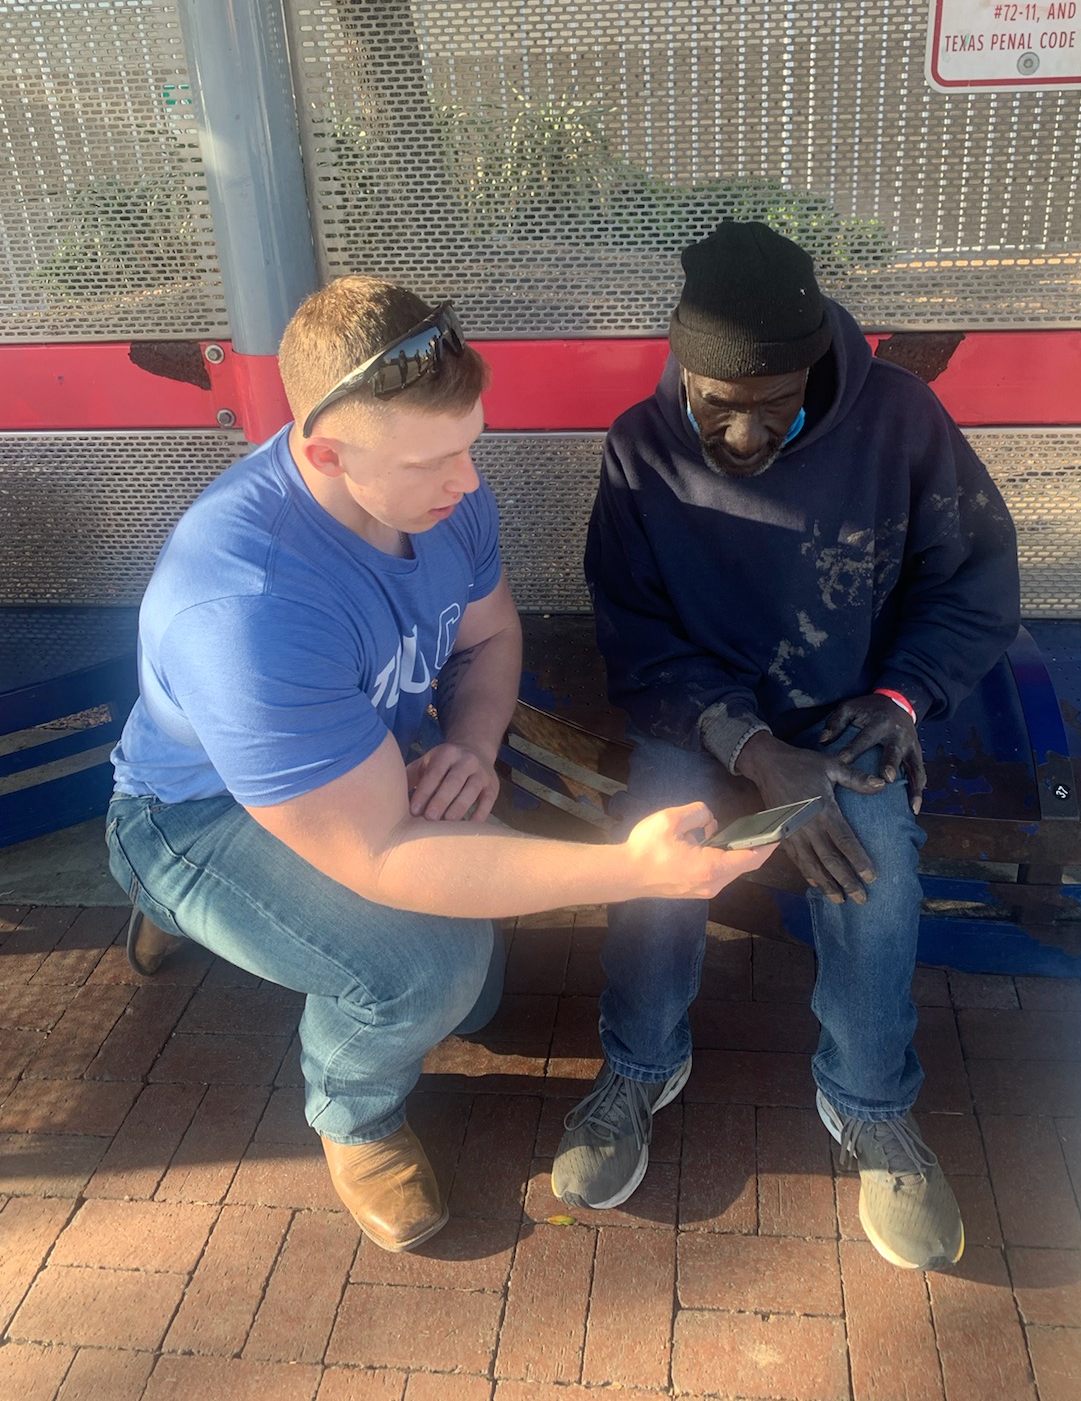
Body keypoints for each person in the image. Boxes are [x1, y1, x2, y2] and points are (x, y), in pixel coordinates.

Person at [106, 275, 774, 1253]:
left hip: (367, 759)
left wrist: (469, 740)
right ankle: (353, 1113)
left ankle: (269, 933)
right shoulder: (243, 607)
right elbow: (383, 853)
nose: (468, 481)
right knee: (430, 967)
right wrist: (635, 871)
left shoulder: (440, 491)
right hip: (193, 812)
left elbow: (491, 635)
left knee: (483, 988)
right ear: (323, 451)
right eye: (435, 459)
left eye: (472, 441)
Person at [551, 221, 1020, 1272]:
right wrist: (752, 747)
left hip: (851, 710)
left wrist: (903, 698)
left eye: (776, 406)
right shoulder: (638, 447)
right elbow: (633, 630)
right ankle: (638, 1062)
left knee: (874, 863)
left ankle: (868, 1100)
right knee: (660, 850)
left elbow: (974, 581)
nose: (750, 436)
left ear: (814, 362)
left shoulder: (899, 419)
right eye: (722, 407)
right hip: (703, 713)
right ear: (683, 367)